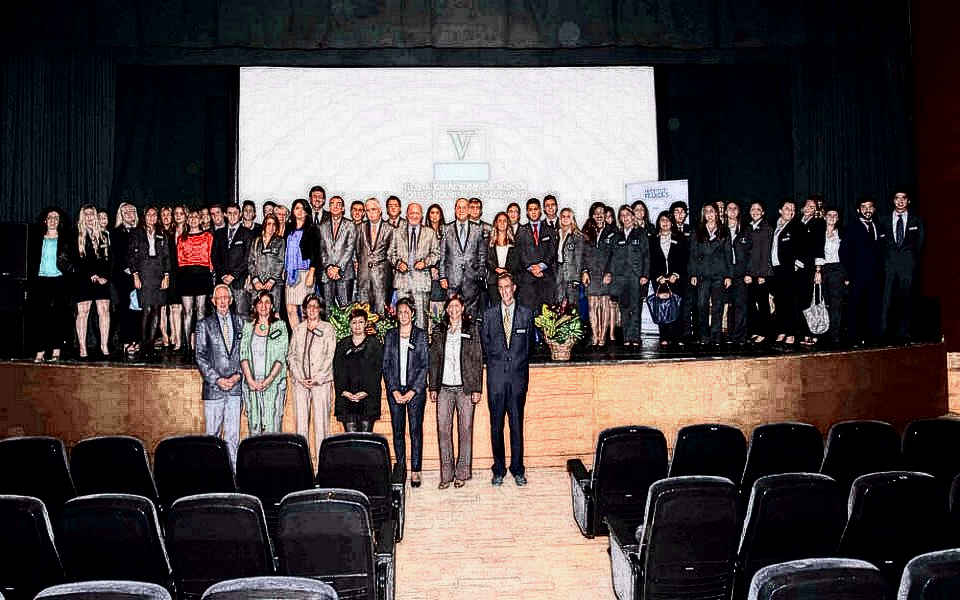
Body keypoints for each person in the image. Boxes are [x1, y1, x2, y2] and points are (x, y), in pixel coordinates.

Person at [480, 272, 534, 487]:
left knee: (516, 426)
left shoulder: (526, 314)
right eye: (501, 287)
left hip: (518, 379)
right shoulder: (489, 315)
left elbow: (529, 347)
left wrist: (516, 366)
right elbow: (485, 345)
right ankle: (499, 469)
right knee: (496, 426)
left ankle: (518, 469)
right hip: (496, 380)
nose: (504, 291)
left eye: (507, 286)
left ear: (514, 288)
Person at [428, 295, 482, 489]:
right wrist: (433, 387)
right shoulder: (439, 330)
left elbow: (477, 358)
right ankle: (446, 475)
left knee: (465, 430)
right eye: (450, 306)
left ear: (463, 308)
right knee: (443, 430)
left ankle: (462, 473)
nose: (453, 310)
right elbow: (434, 360)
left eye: (457, 306)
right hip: (444, 388)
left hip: (465, 387)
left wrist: (477, 388)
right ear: (446, 310)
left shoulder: (471, 329)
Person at [382, 298, 429, 487]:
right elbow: (386, 365)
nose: (403, 315)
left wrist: (413, 391)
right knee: (398, 431)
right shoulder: (390, 335)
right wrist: (393, 389)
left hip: (415, 392)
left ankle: (416, 470)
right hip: (395, 392)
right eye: (400, 312)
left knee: (415, 431)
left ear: (413, 314)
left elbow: (425, 365)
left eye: (406, 312)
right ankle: (401, 468)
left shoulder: (421, 335)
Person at [196, 284, 243, 466]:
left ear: (231, 300)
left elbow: (246, 354)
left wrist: (238, 376)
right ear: (213, 301)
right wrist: (217, 379)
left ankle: (233, 474)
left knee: (233, 436)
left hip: (235, 388)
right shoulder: (204, 325)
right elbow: (200, 356)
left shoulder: (241, 323)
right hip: (214, 389)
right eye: (219, 298)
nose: (222, 301)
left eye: (225, 298)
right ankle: (212, 474)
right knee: (212, 437)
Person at [287, 294, 337, 453]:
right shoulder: (298, 329)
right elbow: (291, 355)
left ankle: (322, 463)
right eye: (309, 306)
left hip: (321, 383)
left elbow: (330, 356)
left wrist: (318, 378)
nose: (312, 309)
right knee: (301, 426)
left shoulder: (328, 329)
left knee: (321, 425)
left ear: (320, 309)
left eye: (316, 306)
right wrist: (299, 377)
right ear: (304, 310)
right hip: (300, 383)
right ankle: (303, 462)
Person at [240, 290, 289, 434]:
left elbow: (281, 356)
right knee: (254, 426)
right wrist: (250, 380)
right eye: (260, 302)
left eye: (267, 302)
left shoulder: (280, 326)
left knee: (272, 426)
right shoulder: (248, 326)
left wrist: (268, 381)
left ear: (272, 306)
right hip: (252, 383)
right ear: (255, 306)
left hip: (273, 383)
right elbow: (243, 354)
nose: (264, 306)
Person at [879, 190, 924, 342]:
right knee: (886, 298)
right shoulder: (883, 220)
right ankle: (883, 331)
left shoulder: (916, 220)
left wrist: (911, 261)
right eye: (897, 198)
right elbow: (879, 244)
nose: (900, 201)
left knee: (906, 298)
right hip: (889, 265)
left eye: (903, 198)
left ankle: (904, 332)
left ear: (908, 201)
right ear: (893, 201)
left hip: (907, 265)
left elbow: (920, 243)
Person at [29, 207, 73, 362]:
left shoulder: (66, 240)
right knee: (40, 318)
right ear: (45, 220)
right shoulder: (36, 239)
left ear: (60, 221)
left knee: (58, 317)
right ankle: (40, 352)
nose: (53, 220)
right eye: (50, 217)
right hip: (41, 281)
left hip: (59, 281)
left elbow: (71, 262)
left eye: (56, 218)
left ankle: (56, 351)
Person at [129, 206, 172, 359]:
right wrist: (135, 275)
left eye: (154, 214)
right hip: (144, 274)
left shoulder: (162, 233)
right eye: (149, 214)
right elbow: (132, 256)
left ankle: (151, 344)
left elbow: (166, 256)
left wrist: (166, 275)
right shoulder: (137, 233)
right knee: (146, 309)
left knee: (156, 310)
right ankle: (143, 344)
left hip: (158, 274)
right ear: (144, 216)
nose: (152, 217)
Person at [839, 197, 883, 346]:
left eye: (870, 207)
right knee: (855, 307)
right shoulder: (851, 227)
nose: (867, 210)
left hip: (875, 276)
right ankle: (853, 338)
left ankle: (872, 338)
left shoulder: (878, 225)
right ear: (858, 210)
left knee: (873, 306)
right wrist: (849, 274)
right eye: (864, 207)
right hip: (857, 275)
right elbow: (843, 252)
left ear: (874, 209)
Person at [389, 203, 439, 329]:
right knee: (401, 319)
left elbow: (436, 254)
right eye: (411, 213)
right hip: (402, 283)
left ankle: (421, 342)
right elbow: (390, 254)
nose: (414, 216)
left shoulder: (430, 233)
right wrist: (398, 263)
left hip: (421, 283)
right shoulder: (397, 232)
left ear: (422, 215)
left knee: (421, 321)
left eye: (417, 213)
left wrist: (425, 263)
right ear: (406, 215)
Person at [333, 309, 383, 433]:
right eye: (354, 322)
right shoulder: (342, 345)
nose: (357, 325)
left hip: (368, 399)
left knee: (366, 440)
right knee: (350, 440)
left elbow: (377, 372)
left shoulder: (375, 344)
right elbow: (337, 371)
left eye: (360, 322)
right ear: (349, 324)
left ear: (366, 323)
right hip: (347, 399)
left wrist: (366, 391)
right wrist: (345, 392)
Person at [688, 204, 732, 345]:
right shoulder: (697, 231)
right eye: (706, 212)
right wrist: (693, 274)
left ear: (716, 213)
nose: (709, 214)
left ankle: (715, 336)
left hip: (719, 274)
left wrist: (729, 276)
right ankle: (704, 335)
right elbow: (693, 254)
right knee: (702, 304)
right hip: (703, 273)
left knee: (718, 306)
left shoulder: (724, 230)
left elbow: (728, 254)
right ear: (703, 215)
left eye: (711, 211)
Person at [75, 205, 112, 359]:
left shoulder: (104, 235)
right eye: (86, 214)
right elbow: (75, 260)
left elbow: (109, 259)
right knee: (83, 312)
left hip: (102, 279)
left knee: (104, 311)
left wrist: (105, 276)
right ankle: (82, 347)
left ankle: (104, 345)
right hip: (84, 279)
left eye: (92, 214)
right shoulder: (76, 235)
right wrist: (90, 274)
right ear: (82, 217)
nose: (89, 217)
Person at [439, 198, 487, 315]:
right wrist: (442, 276)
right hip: (451, 280)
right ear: (455, 210)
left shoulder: (477, 229)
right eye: (459, 207)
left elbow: (482, 254)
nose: (461, 210)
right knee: (452, 313)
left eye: (464, 207)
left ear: (469, 210)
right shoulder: (446, 229)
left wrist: (479, 274)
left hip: (471, 280)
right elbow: (442, 255)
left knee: (471, 314)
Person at [177, 209, 214, 355]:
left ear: (200, 219)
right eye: (190, 217)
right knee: (187, 311)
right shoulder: (182, 238)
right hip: (186, 275)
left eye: (196, 217)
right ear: (187, 220)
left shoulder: (207, 236)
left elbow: (211, 256)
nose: (193, 219)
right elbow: (179, 259)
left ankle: (200, 345)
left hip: (202, 274)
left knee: (201, 310)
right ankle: (187, 346)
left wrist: (210, 271)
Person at [611, 204, 649, 346]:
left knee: (636, 307)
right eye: (622, 215)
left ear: (633, 217)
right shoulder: (617, 235)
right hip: (621, 277)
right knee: (624, 307)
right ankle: (627, 337)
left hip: (636, 276)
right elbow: (613, 257)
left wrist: (645, 275)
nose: (625, 218)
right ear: (620, 219)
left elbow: (646, 256)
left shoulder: (641, 233)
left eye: (627, 215)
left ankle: (635, 337)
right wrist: (610, 273)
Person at [515, 197, 557, 320]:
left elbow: (552, 251)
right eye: (530, 209)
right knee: (528, 315)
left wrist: (541, 266)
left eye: (536, 209)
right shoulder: (521, 231)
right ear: (527, 212)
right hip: (528, 280)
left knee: (547, 315)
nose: (533, 212)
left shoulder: (549, 230)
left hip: (546, 278)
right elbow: (520, 253)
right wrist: (531, 268)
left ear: (540, 211)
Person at [649, 211, 688, 346]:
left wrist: (676, 274)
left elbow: (685, 259)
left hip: (676, 278)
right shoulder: (653, 239)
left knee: (677, 306)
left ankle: (677, 336)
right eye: (662, 220)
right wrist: (657, 276)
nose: (665, 223)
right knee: (662, 307)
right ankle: (664, 336)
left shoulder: (680, 237)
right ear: (658, 222)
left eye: (668, 220)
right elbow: (650, 260)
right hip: (659, 279)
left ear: (672, 223)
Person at [581, 202, 616, 347]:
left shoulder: (612, 231)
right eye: (596, 213)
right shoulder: (586, 231)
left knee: (604, 304)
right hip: (591, 274)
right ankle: (595, 335)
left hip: (605, 273)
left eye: (601, 212)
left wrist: (610, 272)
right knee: (592, 305)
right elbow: (582, 254)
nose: (599, 215)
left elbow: (615, 255)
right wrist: (584, 271)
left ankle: (602, 336)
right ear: (592, 215)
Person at [213, 203, 255, 318]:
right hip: (222, 280)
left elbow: (248, 258)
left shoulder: (247, 233)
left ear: (240, 215)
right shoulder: (219, 233)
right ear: (225, 215)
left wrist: (233, 275)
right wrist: (223, 275)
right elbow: (214, 257)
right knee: (221, 314)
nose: (232, 216)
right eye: (229, 213)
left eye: (235, 213)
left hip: (239, 280)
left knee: (242, 314)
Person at [314, 195, 357, 308]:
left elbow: (350, 248)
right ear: (329, 207)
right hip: (327, 273)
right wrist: (328, 267)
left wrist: (337, 268)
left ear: (343, 208)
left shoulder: (350, 225)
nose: (335, 206)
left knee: (345, 308)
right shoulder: (322, 226)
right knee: (328, 308)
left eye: (339, 204)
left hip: (344, 272)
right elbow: (322, 250)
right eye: (332, 204)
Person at [355, 197, 395, 315]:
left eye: (373, 209)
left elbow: (391, 253)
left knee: (381, 311)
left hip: (382, 277)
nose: (371, 213)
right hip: (363, 276)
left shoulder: (390, 229)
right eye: (367, 210)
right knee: (362, 311)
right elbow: (357, 250)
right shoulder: (360, 227)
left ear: (380, 210)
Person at [814, 208, 848, 346]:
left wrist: (846, 275)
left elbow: (847, 254)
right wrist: (818, 271)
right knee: (823, 302)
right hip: (823, 268)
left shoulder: (842, 233)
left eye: (835, 215)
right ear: (824, 217)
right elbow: (816, 251)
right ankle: (822, 332)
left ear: (838, 218)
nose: (832, 217)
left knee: (836, 303)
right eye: (829, 215)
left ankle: (835, 335)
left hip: (837, 270)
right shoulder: (818, 232)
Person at [770, 199, 801, 346]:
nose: (791, 211)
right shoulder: (775, 226)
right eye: (788, 208)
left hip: (789, 270)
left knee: (790, 302)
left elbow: (802, 247)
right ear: (780, 211)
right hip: (775, 269)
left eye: (793, 209)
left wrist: (797, 263)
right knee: (780, 301)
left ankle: (791, 332)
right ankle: (782, 330)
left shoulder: (797, 226)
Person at [795, 197, 826, 344]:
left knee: (808, 301)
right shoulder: (796, 222)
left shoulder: (818, 223)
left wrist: (818, 270)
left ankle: (812, 332)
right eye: (807, 205)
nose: (809, 208)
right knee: (798, 301)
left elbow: (819, 246)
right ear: (802, 208)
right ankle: (801, 332)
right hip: (795, 268)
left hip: (809, 267)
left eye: (813, 207)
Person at [284, 199, 316, 329]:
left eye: (303, 208)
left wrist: (311, 273)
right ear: (293, 211)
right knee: (290, 309)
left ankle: (306, 337)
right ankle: (297, 337)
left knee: (305, 311)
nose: (300, 211)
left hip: (305, 273)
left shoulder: (312, 229)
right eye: (297, 208)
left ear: (307, 212)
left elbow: (315, 253)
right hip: (290, 274)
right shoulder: (288, 229)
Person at [113, 202, 139, 357]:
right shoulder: (116, 233)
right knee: (125, 309)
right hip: (123, 276)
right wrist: (127, 268)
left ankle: (136, 340)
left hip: (139, 276)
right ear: (121, 215)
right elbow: (116, 255)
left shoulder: (140, 231)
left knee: (138, 309)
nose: (130, 214)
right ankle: (126, 341)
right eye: (126, 212)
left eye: (132, 211)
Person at [725, 201, 753, 345]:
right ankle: (730, 335)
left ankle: (740, 336)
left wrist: (749, 272)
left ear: (738, 211)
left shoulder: (746, 229)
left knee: (741, 304)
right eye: (729, 208)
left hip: (741, 272)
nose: (732, 210)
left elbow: (751, 253)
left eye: (735, 208)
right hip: (725, 273)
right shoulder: (721, 230)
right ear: (725, 212)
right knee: (730, 304)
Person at [746, 202, 774, 344]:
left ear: (763, 212)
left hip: (762, 273)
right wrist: (747, 273)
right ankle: (756, 330)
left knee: (763, 304)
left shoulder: (767, 228)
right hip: (750, 272)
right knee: (751, 303)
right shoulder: (748, 227)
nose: (755, 211)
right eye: (753, 209)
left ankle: (765, 332)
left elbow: (766, 252)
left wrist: (762, 274)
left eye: (758, 209)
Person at [247, 213, 286, 309]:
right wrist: (255, 280)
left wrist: (272, 280)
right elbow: (251, 262)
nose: (271, 227)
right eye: (269, 224)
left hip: (274, 284)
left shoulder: (280, 241)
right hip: (258, 284)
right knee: (257, 310)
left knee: (274, 311)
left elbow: (280, 262)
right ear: (264, 225)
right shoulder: (256, 241)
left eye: (274, 224)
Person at [485, 210, 520, 305]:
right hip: (494, 281)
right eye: (499, 221)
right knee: (495, 308)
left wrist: (506, 271)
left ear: (508, 223)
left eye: (504, 221)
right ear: (496, 223)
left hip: (510, 280)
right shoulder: (489, 242)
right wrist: (496, 269)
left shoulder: (514, 242)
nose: (502, 223)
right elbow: (487, 259)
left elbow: (516, 261)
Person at [166, 204, 188, 352]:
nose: (178, 216)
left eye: (181, 213)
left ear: (186, 215)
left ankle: (189, 341)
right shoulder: (169, 233)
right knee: (175, 307)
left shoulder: (191, 231)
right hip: (173, 273)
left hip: (187, 273)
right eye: (176, 213)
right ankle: (178, 341)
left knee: (188, 308)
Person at [556, 208, 584, 306]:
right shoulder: (557, 233)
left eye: (568, 216)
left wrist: (576, 278)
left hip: (571, 274)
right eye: (563, 216)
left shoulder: (577, 236)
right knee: (559, 302)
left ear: (572, 219)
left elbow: (579, 259)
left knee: (572, 304)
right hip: (559, 271)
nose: (565, 219)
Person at [426, 203, 448, 326]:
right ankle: (430, 330)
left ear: (441, 215)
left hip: (443, 275)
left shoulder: (446, 231)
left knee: (441, 305)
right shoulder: (423, 232)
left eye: (437, 213)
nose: (434, 216)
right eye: (432, 213)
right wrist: (430, 268)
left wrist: (440, 271)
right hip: (427, 274)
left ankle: (439, 329)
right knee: (428, 306)